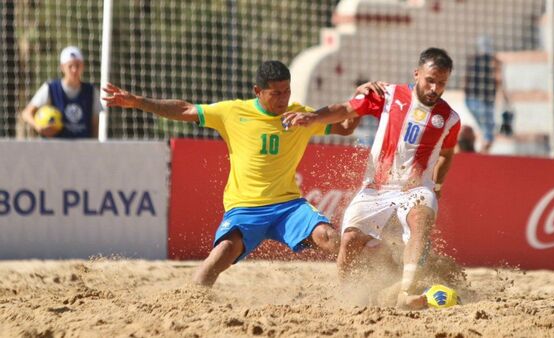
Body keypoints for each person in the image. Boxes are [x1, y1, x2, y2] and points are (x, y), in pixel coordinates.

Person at [103, 60, 368, 287]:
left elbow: (344, 128)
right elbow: (184, 109)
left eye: (286, 91)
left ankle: (375, 279)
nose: (283, 99)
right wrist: (138, 102)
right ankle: (190, 300)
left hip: (288, 206)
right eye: (275, 93)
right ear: (257, 91)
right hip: (245, 208)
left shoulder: (300, 115)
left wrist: (361, 102)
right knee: (220, 256)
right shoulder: (232, 112)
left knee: (330, 237)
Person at [283, 48, 461, 309]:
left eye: (442, 83)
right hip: (376, 189)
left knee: (421, 218)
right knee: (350, 241)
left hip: (415, 189)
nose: (435, 88)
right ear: (417, 74)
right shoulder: (388, 95)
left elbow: (446, 153)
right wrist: (314, 117)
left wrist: (438, 184)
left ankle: (406, 293)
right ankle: (350, 300)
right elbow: (345, 109)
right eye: (430, 80)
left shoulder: (449, 118)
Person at [21, 46, 101, 138]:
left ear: (83, 66)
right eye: (70, 66)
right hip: (56, 147)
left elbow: (95, 125)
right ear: (62, 67)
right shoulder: (50, 88)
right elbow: (26, 113)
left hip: (82, 147)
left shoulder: (92, 91)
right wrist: (38, 126)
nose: (74, 70)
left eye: (77, 65)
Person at [464, 36, 508, 153]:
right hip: (485, 101)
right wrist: (505, 98)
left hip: (471, 100)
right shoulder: (494, 61)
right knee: (489, 132)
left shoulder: (473, 60)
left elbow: (466, 80)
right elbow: (498, 80)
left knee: (485, 130)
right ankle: (483, 155)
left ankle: (481, 152)